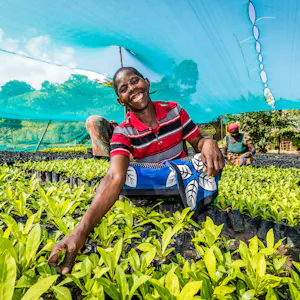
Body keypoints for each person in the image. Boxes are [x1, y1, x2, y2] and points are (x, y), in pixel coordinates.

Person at [48, 67, 224, 274]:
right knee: (126, 177)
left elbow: (198, 142)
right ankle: (171, 195)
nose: (132, 89)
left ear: (147, 82)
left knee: (209, 159)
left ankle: (175, 194)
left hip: (181, 171)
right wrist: (80, 231)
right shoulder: (123, 131)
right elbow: (114, 176)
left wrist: (208, 143)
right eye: (123, 89)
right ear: (121, 100)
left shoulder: (174, 110)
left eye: (135, 81)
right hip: (154, 178)